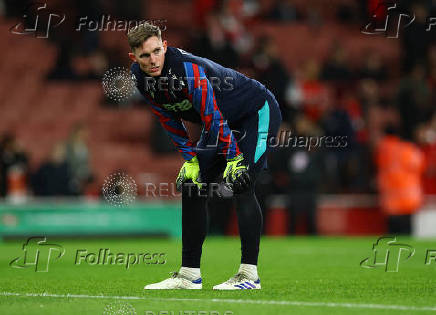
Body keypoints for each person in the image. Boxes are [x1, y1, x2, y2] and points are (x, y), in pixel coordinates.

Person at [127, 23, 281, 290]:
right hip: (219, 122)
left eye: (156, 52)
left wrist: (233, 159)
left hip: (255, 111)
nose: (152, 60)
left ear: (164, 47)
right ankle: (189, 275)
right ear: (133, 58)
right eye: (144, 56)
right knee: (192, 185)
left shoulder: (187, 69)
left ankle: (249, 275)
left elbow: (211, 113)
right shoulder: (140, 78)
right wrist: (191, 160)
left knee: (240, 182)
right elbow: (167, 118)